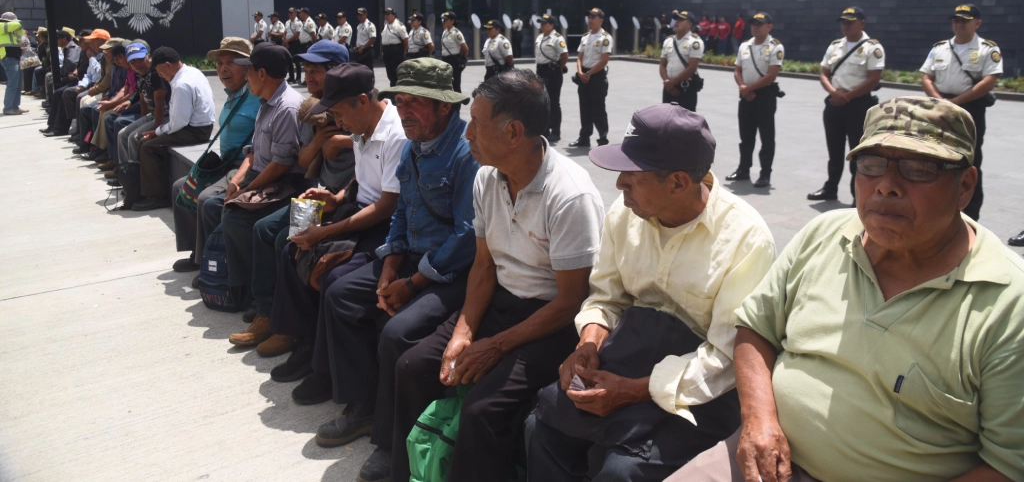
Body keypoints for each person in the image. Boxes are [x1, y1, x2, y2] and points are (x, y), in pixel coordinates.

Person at [670, 96, 1024, 482]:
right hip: (763, 458)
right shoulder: (825, 234)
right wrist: (758, 420)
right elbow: (755, 329)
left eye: (918, 168)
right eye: (871, 165)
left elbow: (1008, 466)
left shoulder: (1009, 303)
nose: (887, 186)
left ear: (965, 185)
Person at [528, 103, 776, 481]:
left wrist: (634, 391)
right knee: (540, 428)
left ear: (678, 182)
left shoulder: (746, 239)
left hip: (701, 391)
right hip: (628, 356)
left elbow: (726, 357)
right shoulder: (626, 212)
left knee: (622, 471)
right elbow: (606, 297)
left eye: (632, 175)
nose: (619, 185)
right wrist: (588, 345)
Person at [391, 70, 606, 482]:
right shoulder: (488, 177)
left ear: (513, 133)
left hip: (549, 321)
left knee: (481, 411)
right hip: (498, 301)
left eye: (476, 123)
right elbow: (484, 266)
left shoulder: (570, 196)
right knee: (414, 366)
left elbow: (571, 301)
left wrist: (494, 346)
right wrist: (463, 332)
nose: (467, 133)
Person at [313, 59, 479, 482]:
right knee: (341, 295)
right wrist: (389, 270)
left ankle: (390, 441)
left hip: (450, 272)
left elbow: (465, 237)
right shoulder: (412, 146)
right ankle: (362, 405)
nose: (404, 112)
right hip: (409, 261)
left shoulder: (465, 154)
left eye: (417, 104)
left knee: (397, 333)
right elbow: (401, 213)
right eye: (400, 101)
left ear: (444, 107)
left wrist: (414, 282)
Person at [269, 63, 403, 381]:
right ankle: (304, 343)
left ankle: (326, 369)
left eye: (340, 112)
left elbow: (387, 205)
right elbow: (362, 176)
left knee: (331, 274)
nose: (338, 123)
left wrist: (326, 231)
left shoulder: (395, 134)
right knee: (292, 251)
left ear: (362, 100)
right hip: (356, 211)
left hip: (384, 225)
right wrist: (338, 197)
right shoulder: (361, 127)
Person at [239, 39, 354, 352]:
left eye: (316, 70)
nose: (309, 76)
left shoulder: (354, 105)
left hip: (344, 200)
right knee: (265, 230)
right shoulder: (310, 109)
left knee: (286, 241)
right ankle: (268, 311)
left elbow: (376, 150)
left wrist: (342, 142)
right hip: (315, 193)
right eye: (307, 69)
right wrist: (319, 143)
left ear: (337, 72)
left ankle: (292, 328)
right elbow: (303, 161)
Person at [208, 43, 303, 344]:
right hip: (261, 177)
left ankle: (259, 302)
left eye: (247, 70)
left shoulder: (287, 107)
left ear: (261, 73)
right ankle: (235, 284)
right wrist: (238, 182)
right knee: (214, 205)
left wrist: (248, 190)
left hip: (284, 184)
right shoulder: (266, 100)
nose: (244, 76)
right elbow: (253, 152)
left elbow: (281, 164)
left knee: (245, 221)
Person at [171, 37, 261, 274]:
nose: (223, 69)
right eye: (220, 63)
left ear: (247, 67)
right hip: (226, 163)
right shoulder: (232, 95)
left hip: (244, 166)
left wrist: (237, 178)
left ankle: (208, 264)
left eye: (231, 62)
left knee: (206, 199)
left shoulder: (257, 96)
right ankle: (194, 251)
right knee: (181, 186)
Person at [919, 3, 1000, 222]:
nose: (959, 24)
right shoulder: (940, 48)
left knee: (969, 162)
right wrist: (940, 101)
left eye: (964, 20)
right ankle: (934, 208)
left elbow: (988, 81)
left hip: (970, 108)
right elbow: (926, 76)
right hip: (939, 109)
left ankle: (970, 216)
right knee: (934, 157)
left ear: (977, 23)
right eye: (956, 20)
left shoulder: (987, 49)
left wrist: (955, 102)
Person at [808, 7, 885, 202]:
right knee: (834, 150)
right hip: (834, 103)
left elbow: (874, 78)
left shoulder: (872, 47)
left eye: (850, 22)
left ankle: (857, 195)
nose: (846, 26)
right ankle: (830, 188)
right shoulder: (835, 46)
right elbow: (824, 73)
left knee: (857, 152)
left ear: (862, 23)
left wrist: (848, 96)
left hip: (858, 105)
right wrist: (834, 92)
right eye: (843, 22)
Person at [133, 47, 217, 211]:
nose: (160, 75)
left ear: (167, 65)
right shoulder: (194, 72)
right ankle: (144, 189)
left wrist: (156, 132)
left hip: (194, 131)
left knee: (148, 147)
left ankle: (157, 197)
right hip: (203, 126)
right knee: (151, 143)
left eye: (158, 71)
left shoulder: (181, 85)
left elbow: (178, 123)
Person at [727, 12, 783, 188]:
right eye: (753, 24)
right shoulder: (745, 46)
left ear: (769, 26)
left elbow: (772, 74)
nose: (755, 27)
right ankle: (743, 169)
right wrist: (743, 88)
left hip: (764, 96)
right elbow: (737, 70)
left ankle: (765, 174)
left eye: (760, 24)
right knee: (746, 136)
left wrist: (748, 89)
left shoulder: (775, 46)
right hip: (745, 96)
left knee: (766, 137)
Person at [105, 41, 171, 179]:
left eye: (140, 59)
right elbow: (143, 100)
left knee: (134, 138)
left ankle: (138, 178)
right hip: (152, 114)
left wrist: (156, 131)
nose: (137, 63)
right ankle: (126, 176)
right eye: (133, 61)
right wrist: (142, 121)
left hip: (166, 115)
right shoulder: (137, 74)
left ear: (148, 56)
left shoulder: (155, 73)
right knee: (123, 134)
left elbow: (159, 105)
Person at [569, 7, 613, 148]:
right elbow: (579, 58)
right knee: (585, 108)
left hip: (597, 76)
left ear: (601, 20)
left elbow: (604, 60)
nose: (590, 20)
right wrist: (580, 72)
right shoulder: (585, 37)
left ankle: (603, 139)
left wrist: (589, 73)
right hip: (584, 76)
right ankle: (584, 138)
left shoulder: (605, 38)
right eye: (589, 17)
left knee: (598, 109)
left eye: (594, 17)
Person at [659, 10, 704, 111]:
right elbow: (662, 64)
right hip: (668, 88)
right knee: (667, 122)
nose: (676, 22)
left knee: (685, 124)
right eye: (676, 19)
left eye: (681, 20)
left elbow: (692, 68)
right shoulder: (668, 41)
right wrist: (667, 81)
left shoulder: (695, 42)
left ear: (689, 24)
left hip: (685, 90)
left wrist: (672, 82)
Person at [535, 14, 568, 143]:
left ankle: (555, 131)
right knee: (543, 101)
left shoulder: (557, 38)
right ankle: (545, 130)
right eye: (541, 23)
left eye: (544, 23)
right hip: (541, 71)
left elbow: (564, 55)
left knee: (554, 102)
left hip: (553, 72)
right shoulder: (540, 37)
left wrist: (559, 68)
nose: (542, 25)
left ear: (552, 25)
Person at [1, 11, 26, 115]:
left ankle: (15, 106)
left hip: (15, 56)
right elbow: (18, 25)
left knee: (18, 82)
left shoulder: (11, 29)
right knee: (13, 82)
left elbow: (21, 34)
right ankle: (8, 107)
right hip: (7, 57)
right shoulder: (2, 25)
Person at [438, 11, 468, 93]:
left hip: (454, 60)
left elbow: (465, 48)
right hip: (445, 60)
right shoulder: (445, 32)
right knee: (447, 83)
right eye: (443, 20)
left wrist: (463, 58)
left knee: (455, 84)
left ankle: (456, 105)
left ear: (452, 21)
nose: (443, 21)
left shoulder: (456, 33)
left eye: (446, 20)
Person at [379, 7, 408, 85]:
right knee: (390, 73)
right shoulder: (386, 25)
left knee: (397, 73)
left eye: (388, 14)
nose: (386, 16)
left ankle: (397, 89)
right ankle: (393, 89)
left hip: (395, 50)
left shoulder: (399, 25)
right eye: (385, 14)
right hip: (387, 50)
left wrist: (403, 51)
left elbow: (405, 39)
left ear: (394, 15)